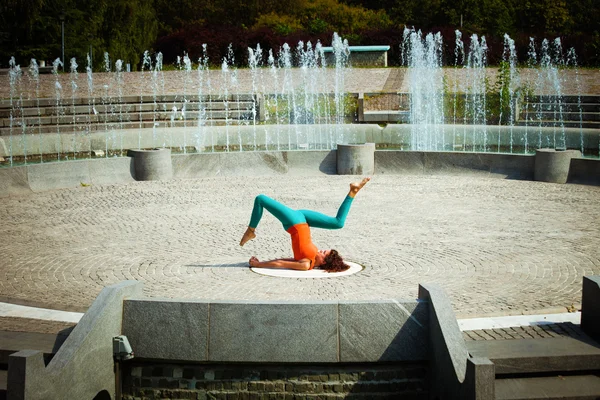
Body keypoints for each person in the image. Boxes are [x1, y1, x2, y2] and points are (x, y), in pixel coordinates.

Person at [240, 177, 370, 272]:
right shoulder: (310, 259)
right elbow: (285, 262)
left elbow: (282, 263)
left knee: (261, 199)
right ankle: (353, 192)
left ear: (324, 261)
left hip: (296, 222)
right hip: (299, 220)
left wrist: (259, 264)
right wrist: (259, 264)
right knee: (338, 223)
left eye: (324, 252)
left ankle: (251, 230)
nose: (321, 250)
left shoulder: (306, 265)